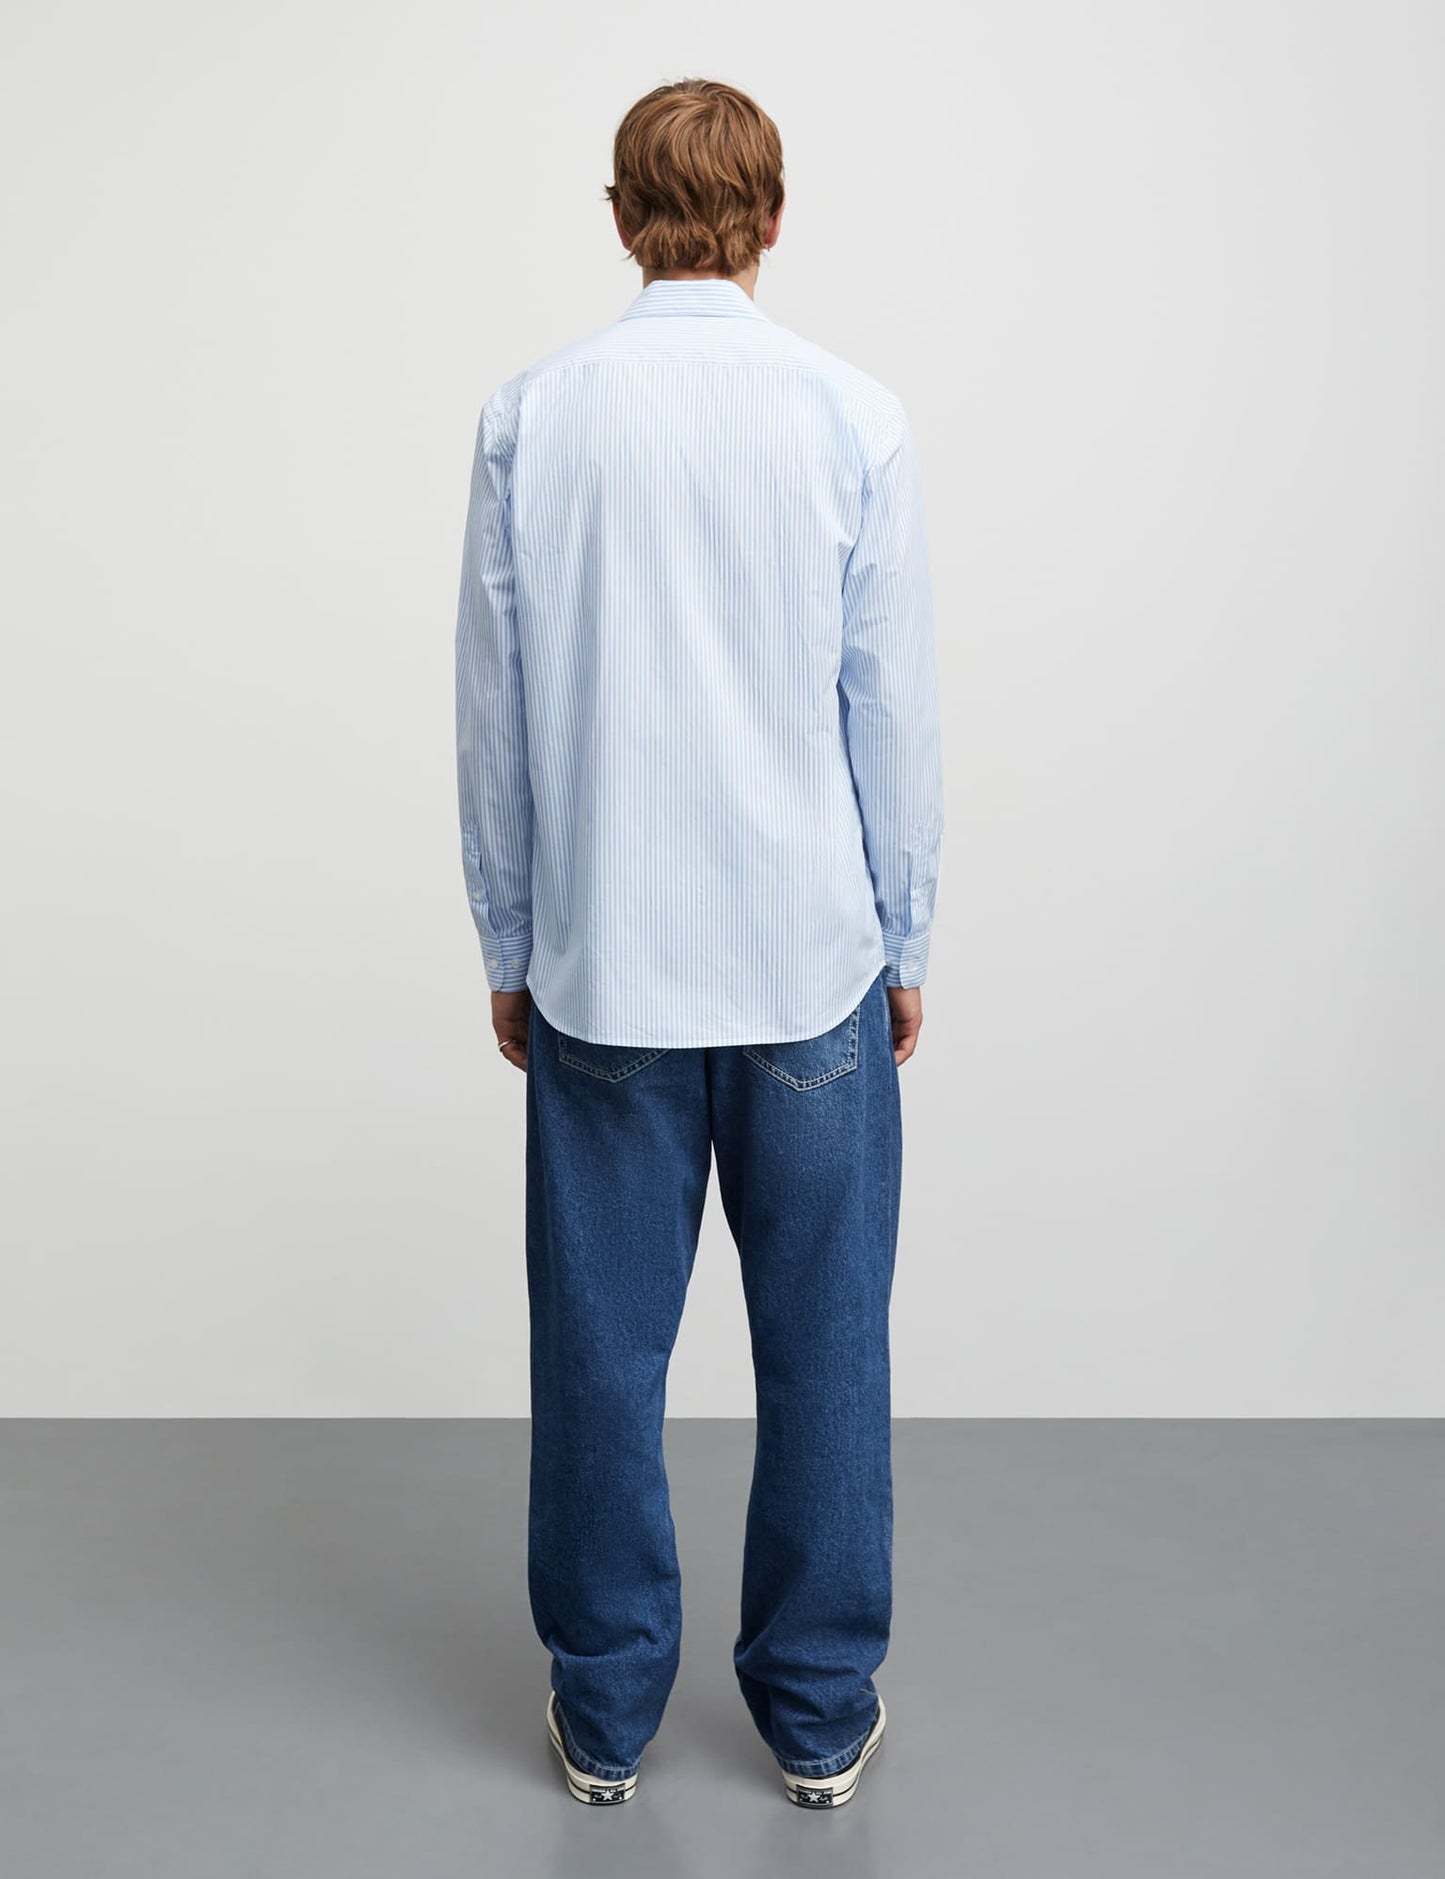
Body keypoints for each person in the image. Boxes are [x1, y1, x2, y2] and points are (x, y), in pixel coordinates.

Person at [454, 77, 944, 1809]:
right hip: (807, 958)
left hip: (607, 965)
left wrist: (509, 938)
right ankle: (814, 1712)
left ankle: (604, 1714)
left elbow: (496, 712)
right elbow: (889, 708)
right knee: (827, 1348)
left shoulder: (533, 417)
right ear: (774, 217)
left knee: (600, 1354)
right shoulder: (851, 414)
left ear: (617, 217)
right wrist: (904, 933)